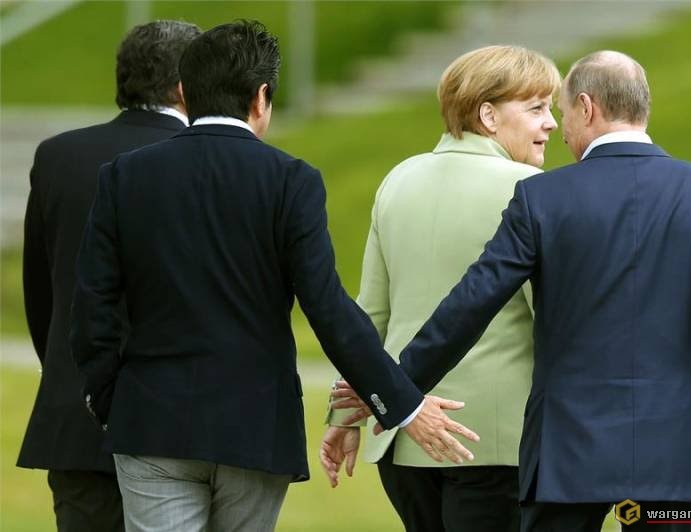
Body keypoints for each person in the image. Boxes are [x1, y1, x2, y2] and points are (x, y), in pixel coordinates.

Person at [69, 20, 477, 532]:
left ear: (185, 91)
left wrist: (112, 399)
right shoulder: (291, 180)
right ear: (262, 97)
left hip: (151, 420)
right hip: (255, 425)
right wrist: (403, 404)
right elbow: (327, 308)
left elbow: (92, 307)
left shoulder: (124, 174)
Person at [343, 50, 691, 532]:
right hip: (672, 447)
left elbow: (472, 303)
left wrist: (395, 387)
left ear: (586, 107)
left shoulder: (542, 197)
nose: (559, 129)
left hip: (567, 447)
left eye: (562, 113)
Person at [320, 45, 559, 532]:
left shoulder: (398, 180)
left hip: (402, 440)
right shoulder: (531, 191)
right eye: (536, 108)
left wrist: (344, 419)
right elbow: (556, 325)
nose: (551, 123)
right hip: (496, 442)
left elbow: (369, 317)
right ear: (488, 115)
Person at [17, 20, 201, 531]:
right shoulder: (211, 162)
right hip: (181, 427)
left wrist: (72, 370)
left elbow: (41, 292)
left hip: (75, 419)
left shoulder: (58, 156)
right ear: (185, 86)